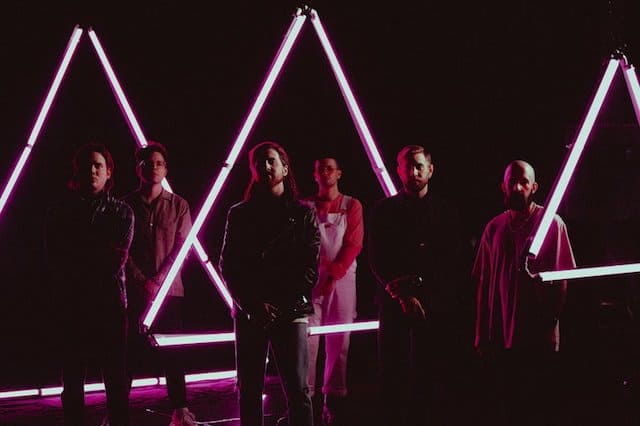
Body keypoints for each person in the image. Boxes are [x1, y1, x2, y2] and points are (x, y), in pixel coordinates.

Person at [219, 141, 320, 426]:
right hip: (254, 311)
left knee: (297, 390)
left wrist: (268, 304)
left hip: (285, 310)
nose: (264, 166)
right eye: (259, 162)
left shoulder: (303, 214)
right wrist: (253, 304)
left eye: (270, 160)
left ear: (285, 169)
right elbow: (229, 265)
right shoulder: (239, 214)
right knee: (250, 389)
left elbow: (309, 267)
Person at [473, 160, 576, 425]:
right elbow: (483, 282)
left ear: (534, 187)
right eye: (512, 182)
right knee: (508, 407)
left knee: (539, 406)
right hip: (501, 336)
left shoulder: (552, 224)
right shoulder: (494, 227)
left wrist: (550, 322)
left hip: (537, 337)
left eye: (524, 182)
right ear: (503, 186)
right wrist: (481, 333)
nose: (518, 188)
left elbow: (563, 280)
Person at [369, 145, 463, 425]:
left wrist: (420, 291)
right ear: (398, 170)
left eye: (418, 166)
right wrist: (403, 295)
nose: (413, 172)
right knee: (392, 374)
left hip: (432, 304)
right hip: (394, 302)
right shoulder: (384, 210)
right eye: (408, 167)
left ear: (430, 170)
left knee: (430, 373)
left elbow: (451, 258)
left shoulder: (445, 212)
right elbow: (378, 258)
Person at [46, 143, 134, 426]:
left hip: (109, 305)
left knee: (115, 380)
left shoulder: (122, 211)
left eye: (98, 165)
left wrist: (78, 251)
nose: (92, 170)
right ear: (77, 172)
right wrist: (92, 250)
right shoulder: (60, 211)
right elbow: (55, 257)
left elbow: (113, 259)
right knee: (73, 381)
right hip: (73, 305)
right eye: (87, 166)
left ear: (109, 172)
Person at [123, 142, 196, 426]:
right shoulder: (126, 205)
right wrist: (142, 281)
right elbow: (122, 249)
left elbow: (182, 247)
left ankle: (180, 409)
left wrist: (158, 282)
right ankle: (116, 411)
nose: (153, 167)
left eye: (158, 163)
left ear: (166, 169)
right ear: (138, 168)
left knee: (174, 354)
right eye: (148, 163)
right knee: (127, 353)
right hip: (134, 292)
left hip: (170, 293)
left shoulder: (179, 205)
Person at [302, 157, 363, 425]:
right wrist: (320, 273)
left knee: (340, 341)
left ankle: (333, 402)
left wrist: (333, 274)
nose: (325, 173)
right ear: (315, 175)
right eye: (320, 169)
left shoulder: (352, 205)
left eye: (330, 168)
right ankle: (304, 401)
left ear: (339, 173)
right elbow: (302, 243)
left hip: (343, 281)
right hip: (311, 281)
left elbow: (354, 244)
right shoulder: (305, 206)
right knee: (306, 341)